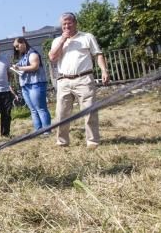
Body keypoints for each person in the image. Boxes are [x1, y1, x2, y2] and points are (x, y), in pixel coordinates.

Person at [48, 12, 110, 148]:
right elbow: (52, 57)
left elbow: (98, 54)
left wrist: (104, 71)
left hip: (84, 78)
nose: (66, 26)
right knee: (61, 113)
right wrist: (63, 40)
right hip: (64, 80)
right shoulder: (57, 41)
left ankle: (92, 141)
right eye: (64, 24)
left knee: (89, 111)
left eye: (69, 23)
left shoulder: (87, 37)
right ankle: (62, 141)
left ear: (75, 23)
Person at [12, 37, 51, 131]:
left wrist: (20, 68)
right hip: (26, 85)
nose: (16, 49)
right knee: (33, 110)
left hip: (36, 84)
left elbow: (35, 66)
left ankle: (46, 131)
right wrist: (17, 66)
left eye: (17, 46)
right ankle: (38, 130)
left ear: (23, 43)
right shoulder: (24, 56)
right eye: (15, 47)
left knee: (40, 108)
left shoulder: (33, 53)